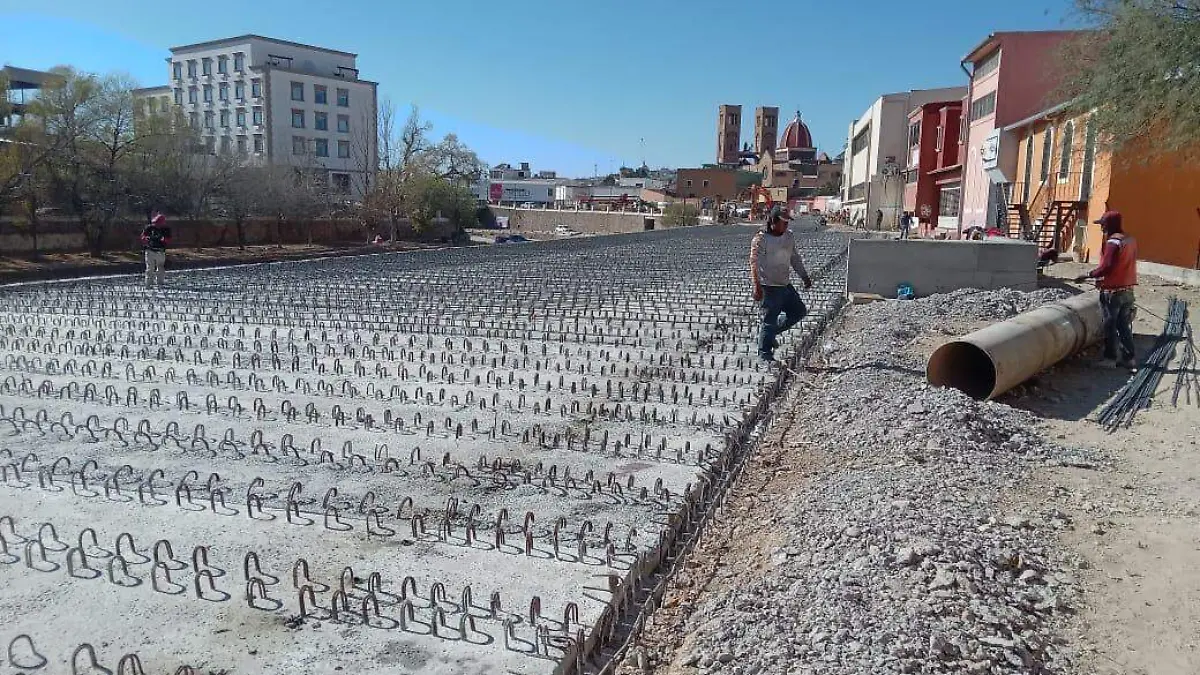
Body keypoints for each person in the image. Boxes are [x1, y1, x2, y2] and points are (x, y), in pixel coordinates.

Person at [749, 205, 813, 362]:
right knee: (769, 320)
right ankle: (764, 355)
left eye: (787, 222)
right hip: (768, 286)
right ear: (773, 221)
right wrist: (756, 286)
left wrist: (804, 276)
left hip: (785, 285)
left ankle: (770, 334)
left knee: (799, 311)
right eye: (784, 222)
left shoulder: (789, 236)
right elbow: (753, 263)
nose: (786, 225)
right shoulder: (761, 238)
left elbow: (794, 258)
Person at [1074, 210, 1138, 369]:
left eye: (1103, 224)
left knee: (1109, 324)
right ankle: (1129, 358)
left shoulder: (1113, 242)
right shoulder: (1129, 240)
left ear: (1109, 225)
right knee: (1123, 325)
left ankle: (1110, 359)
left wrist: (1088, 274)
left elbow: (1107, 266)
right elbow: (1121, 265)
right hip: (1127, 290)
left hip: (1113, 292)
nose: (1101, 227)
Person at [139, 212, 171, 289]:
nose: (156, 225)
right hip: (150, 250)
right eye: (155, 223)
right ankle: (148, 283)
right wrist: (146, 239)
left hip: (160, 251)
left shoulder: (166, 229)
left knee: (160, 268)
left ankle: (160, 282)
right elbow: (143, 236)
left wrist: (162, 239)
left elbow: (168, 240)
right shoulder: (149, 228)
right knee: (150, 268)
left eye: (158, 223)